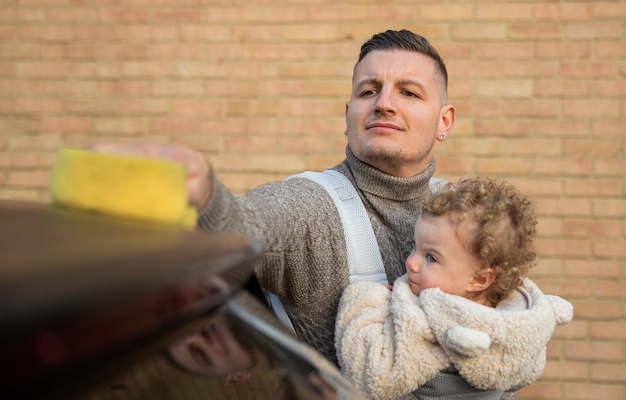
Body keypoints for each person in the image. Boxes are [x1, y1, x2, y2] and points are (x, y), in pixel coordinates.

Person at [92, 30, 529, 399]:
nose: (384, 103)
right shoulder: (312, 208)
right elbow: (244, 229)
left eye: (409, 92)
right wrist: (205, 191)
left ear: (444, 122)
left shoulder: (468, 215)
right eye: (368, 90)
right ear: (349, 114)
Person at [334, 176, 574, 400]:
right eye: (414, 247)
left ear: (479, 280)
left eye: (431, 258)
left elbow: (371, 377)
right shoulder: (523, 324)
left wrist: (366, 300)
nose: (410, 262)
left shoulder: (430, 323)